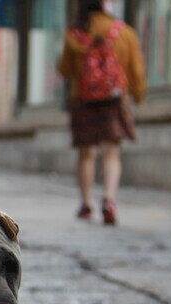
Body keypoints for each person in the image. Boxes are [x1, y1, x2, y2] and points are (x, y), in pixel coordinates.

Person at [57, 0, 145, 225]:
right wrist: (137, 94)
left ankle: (86, 203)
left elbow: (64, 69)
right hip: (114, 100)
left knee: (86, 154)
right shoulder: (123, 32)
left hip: (83, 99)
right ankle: (109, 199)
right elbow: (136, 70)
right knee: (111, 153)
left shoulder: (74, 34)